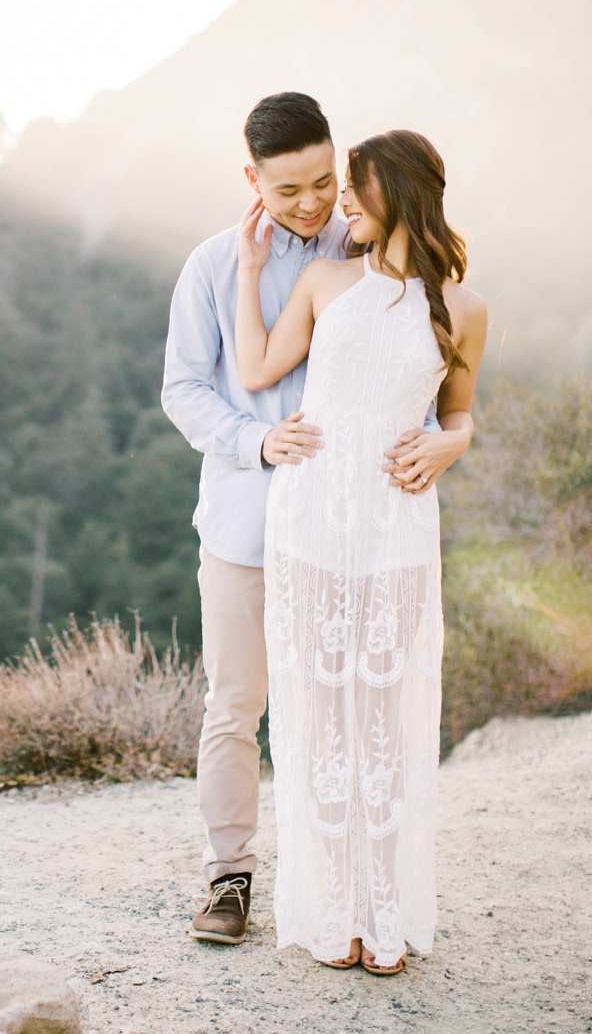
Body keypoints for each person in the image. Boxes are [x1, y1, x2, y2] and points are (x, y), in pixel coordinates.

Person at [159, 93, 467, 947]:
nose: (313, 203)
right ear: (252, 178)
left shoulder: (366, 248)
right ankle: (231, 876)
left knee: (350, 709)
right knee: (238, 702)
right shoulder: (216, 266)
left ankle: (354, 895)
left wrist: (450, 441)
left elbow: (438, 389)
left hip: (359, 536)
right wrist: (258, 442)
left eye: (325, 182)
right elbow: (182, 388)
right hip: (247, 523)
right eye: (289, 187)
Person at [234, 129, 484, 975]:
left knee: (385, 720)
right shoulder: (325, 278)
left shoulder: (464, 307)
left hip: (396, 524)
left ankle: (385, 914)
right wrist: (244, 268)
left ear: (401, 191)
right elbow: (262, 365)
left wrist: (455, 443)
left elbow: (459, 414)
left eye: (355, 187)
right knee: (315, 715)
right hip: (311, 515)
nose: (340, 201)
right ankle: (331, 909)